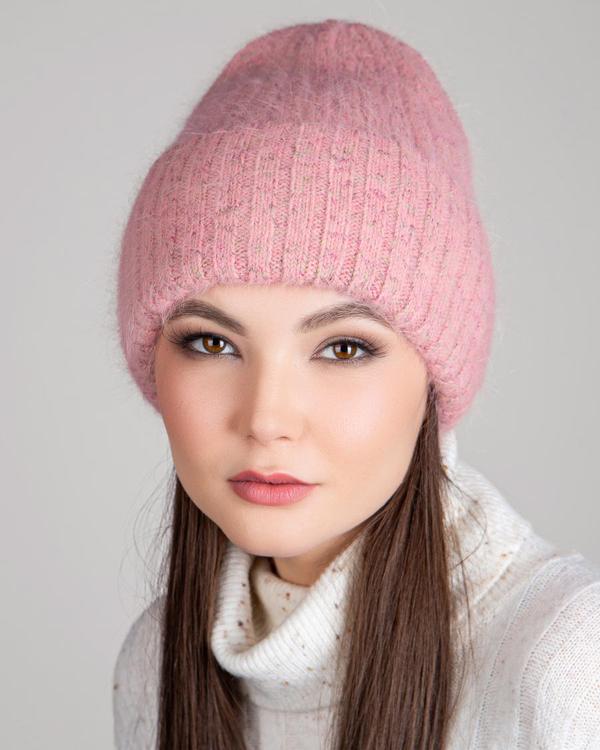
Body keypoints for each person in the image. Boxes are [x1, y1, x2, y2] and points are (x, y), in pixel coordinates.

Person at [111, 18, 600, 750]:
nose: (267, 418)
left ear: (434, 378)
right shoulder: (156, 664)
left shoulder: (564, 663)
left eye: (343, 348)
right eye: (212, 343)